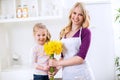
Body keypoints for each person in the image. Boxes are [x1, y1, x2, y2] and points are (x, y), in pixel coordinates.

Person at [49, 2, 95, 80]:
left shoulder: (85, 32)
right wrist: (56, 69)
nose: (76, 17)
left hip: (81, 74)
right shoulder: (64, 32)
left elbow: (80, 58)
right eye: (74, 13)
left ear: (84, 17)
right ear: (71, 14)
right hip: (67, 75)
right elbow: (64, 57)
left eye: (80, 14)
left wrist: (57, 63)